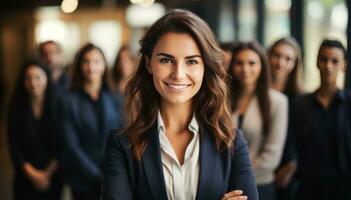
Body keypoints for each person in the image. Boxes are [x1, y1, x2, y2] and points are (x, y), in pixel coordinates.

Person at [102, 9, 259, 200]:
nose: (178, 73)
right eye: (166, 60)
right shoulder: (122, 145)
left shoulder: (232, 143)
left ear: (205, 67)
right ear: (149, 64)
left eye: (191, 61)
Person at [292, 39, 351, 200]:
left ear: (344, 65)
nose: (328, 66)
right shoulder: (300, 104)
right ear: (316, 62)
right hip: (308, 189)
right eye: (324, 59)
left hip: (345, 189)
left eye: (335, 61)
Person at [60, 43, 123, 200]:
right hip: (82, 178)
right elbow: (71, 145)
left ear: (104, 65)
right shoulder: (68, 100)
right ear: (79, 65)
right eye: (86, 61)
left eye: (97, 61)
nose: (91, 66)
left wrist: (112, 173)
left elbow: (121, 133)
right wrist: (97, 176)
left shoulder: (115, 96)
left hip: (113, 174)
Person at [228, 41, 288, 200]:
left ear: (262, 66)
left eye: (252, 63)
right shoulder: (222, 99)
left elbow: (272, 155)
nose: (245, 69)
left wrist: (239, 174)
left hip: (261, 186)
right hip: (226, 187)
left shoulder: (278, 101)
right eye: (239, 63)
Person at [7, 60, 63, 200]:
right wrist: (33, 174)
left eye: (38, 77)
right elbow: (13, 146)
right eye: (28, 78)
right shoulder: (15, 108)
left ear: (46, 79)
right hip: (25, 177)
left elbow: (63, 143)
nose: (33, 82)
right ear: (23, 81)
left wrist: (46, 174)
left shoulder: (59, 106)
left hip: (53, 176)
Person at [268, 37, 303, 200]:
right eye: (277, 55)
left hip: (288, 171)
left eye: (288, 59)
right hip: (257, 165)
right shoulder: (256, 93)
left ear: (295, 64)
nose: (281, 63)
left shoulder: (299, 99)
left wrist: (292, 164)